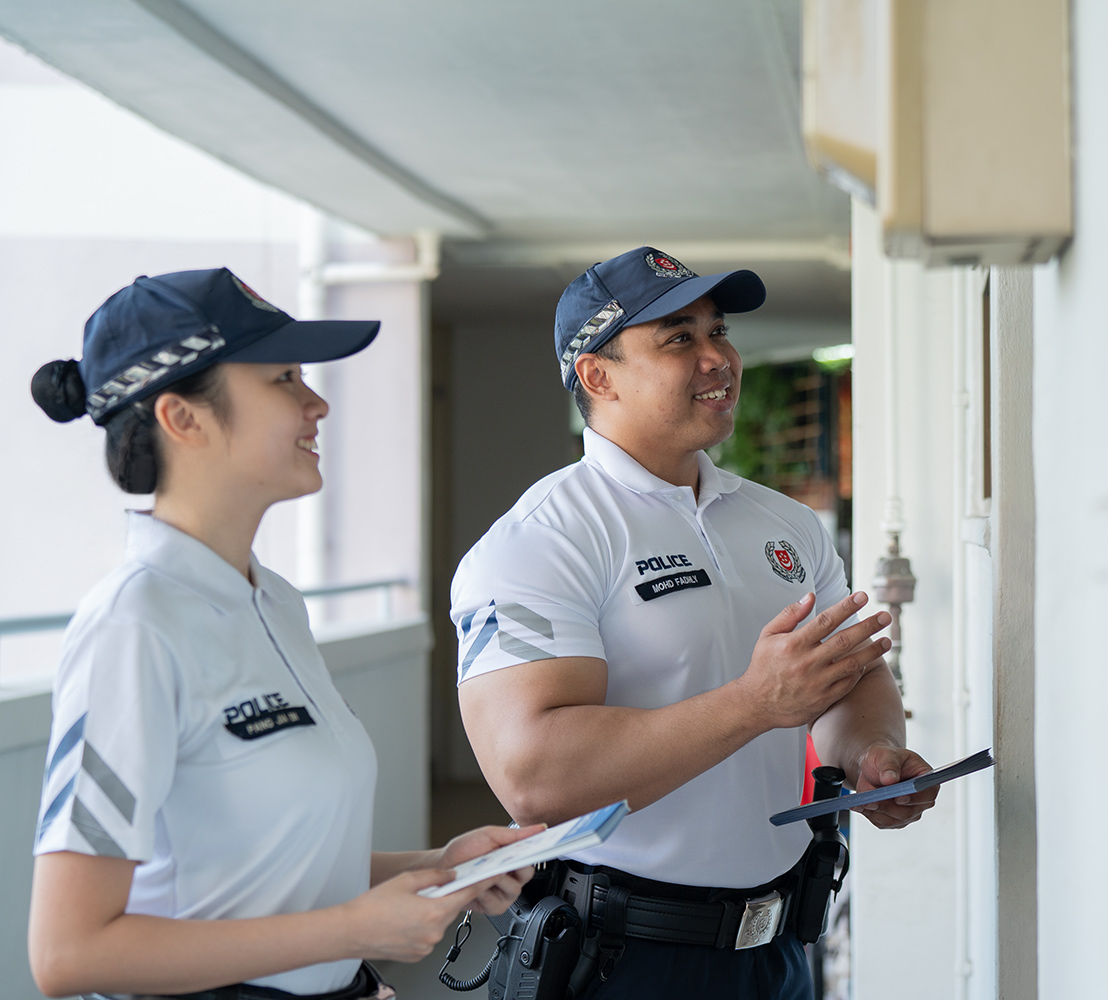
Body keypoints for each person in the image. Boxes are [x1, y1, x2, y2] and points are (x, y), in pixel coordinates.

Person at [27, 268, 536, 1000]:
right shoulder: (133, 627)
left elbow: (263, 866)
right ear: (183, 418)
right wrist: (355, 931)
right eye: (283, 379)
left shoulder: (276, 604)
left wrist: (442, 865)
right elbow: (70, 954)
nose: (317, 402)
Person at [452, 246, 938, 999]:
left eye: (720, 331)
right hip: (625, 959)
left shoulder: (787, 524)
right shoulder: (544, 540)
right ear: (597, 375)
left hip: (777, 951)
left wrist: (871, 755)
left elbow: (845, 676)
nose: (719, 357)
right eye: (680, 338)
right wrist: (753, 704)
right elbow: (535, 776)